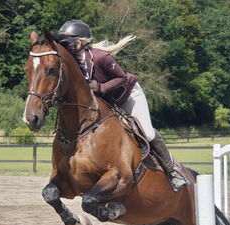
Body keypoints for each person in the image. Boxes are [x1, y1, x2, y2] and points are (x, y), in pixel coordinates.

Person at [56, 20, 189, 192]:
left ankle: (172, 170)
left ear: (79, 42)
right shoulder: (73, 64)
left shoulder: (100, 57)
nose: (62, 46)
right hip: (106, 100)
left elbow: (122, 78)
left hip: (128, 95)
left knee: (147, 132)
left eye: (64, 42)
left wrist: (101, 87)